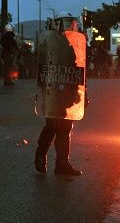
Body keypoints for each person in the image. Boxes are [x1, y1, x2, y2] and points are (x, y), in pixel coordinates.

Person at [34, 12, 86, 176]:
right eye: (66, 22)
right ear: (57, 24)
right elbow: (42, 66)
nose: (69, 25)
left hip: (65, 92)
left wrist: (79, 91)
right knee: (52, 126)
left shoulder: (69, 43)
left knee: (64, 126)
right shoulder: (49, 42)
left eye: (71, 22)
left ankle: (62, 163)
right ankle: (41, 157)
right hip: (52, 91)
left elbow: (73, 67)